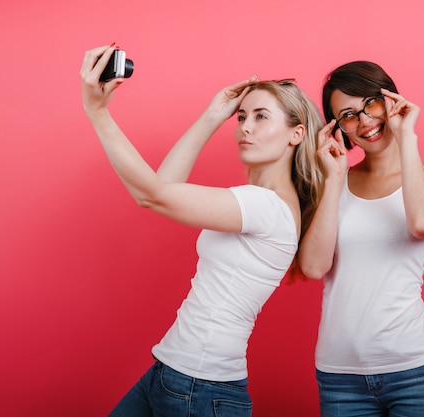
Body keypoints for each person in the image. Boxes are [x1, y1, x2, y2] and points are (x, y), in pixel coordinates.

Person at [80, 44, 325, 417]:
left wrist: (97, 112)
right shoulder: (263, 202)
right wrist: (213, 114)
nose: (245, 125)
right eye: (241, 116)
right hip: (176, 374)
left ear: (296, 135)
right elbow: (163, 184)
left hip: (198, 387)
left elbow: (152, 195)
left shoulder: (266, 207)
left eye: (261, 117)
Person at [298, 61, 424, 416]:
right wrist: (334, 179)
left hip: (417, 373)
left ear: (391, 100)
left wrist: (407, 137)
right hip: (339, 377)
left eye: (371, 103)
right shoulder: (331, 185)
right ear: (338, 128)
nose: (365, 121)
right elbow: (313, 266)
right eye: (348, 115)